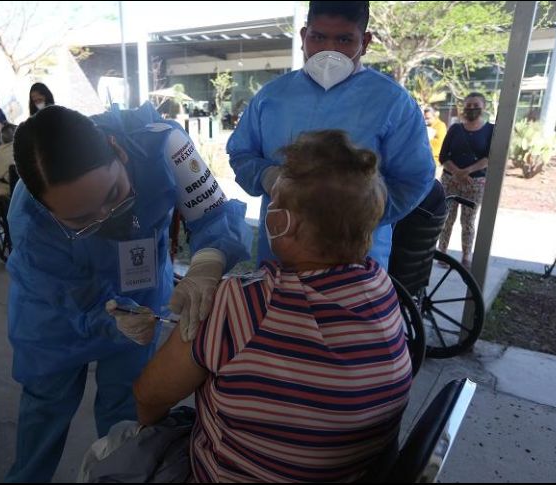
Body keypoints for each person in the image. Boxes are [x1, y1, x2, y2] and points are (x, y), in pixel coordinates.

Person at [91, 130, 412, 483]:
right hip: (348, 471)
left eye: (275, 200)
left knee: (114, 451)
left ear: (283, 223)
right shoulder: (381, 289)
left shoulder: (249, 302)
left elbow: (149, 396)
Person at [4, 103, 251, 482]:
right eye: (80, 219)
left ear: (117, 149)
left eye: (113, 193)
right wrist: (108, 316)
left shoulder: (166, 145)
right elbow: (64, 291)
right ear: (46, 208)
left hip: (143, 290)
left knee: (126, 413)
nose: (106, 215)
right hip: (55, 317)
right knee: (46, 409)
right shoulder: (30, 216)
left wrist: (207, 262)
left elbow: (214, 215)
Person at [228, 1, 434, 269]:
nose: (329, 50)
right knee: (277, 310)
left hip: (355, 263)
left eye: (344, 39)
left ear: (366, 41)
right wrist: (267, 176)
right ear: (303, 37)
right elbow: (242, 153)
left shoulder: (393, 103)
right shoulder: (271, 97)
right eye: (318, 37)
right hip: (279, 254)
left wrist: (355, 216)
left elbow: (413, 180)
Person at [437, 92, 494, 268]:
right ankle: (442, 253)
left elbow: (489, 157)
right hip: (450, 180)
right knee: (446, 218)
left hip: (475, 183)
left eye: (475, 105)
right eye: (468, 105)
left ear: (484, 107)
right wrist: (457, 173)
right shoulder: (455, 129)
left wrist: (466, 172)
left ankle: (466, 255)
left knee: (468, 221)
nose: (471, 109)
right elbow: (443, 156)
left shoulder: (491, 130)